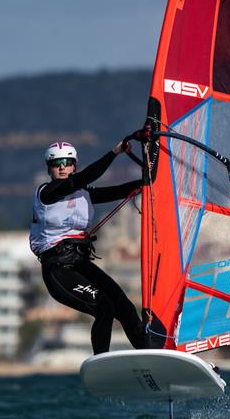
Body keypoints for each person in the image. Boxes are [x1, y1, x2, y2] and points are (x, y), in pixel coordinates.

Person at [30, 140, 147, 354]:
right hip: (59, 270)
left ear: (73, 165)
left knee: (124, 306)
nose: (62, 167)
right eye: (57, 164)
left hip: (81, 265)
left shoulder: (83, 192)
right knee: (104, 307)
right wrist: (114, 152)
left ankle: (150, 353)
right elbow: (83, 178)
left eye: (67, 162)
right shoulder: (47, 193)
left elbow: (115, 191)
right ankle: (102, 362)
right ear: (50, 168)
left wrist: (147, 183)